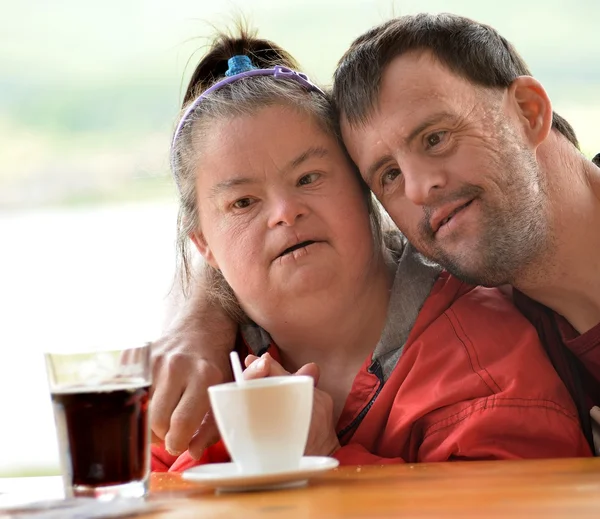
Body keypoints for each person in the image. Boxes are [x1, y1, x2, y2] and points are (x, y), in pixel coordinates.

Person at [150, 29, 590, 472]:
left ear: (365, 197)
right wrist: (202, 316)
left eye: (309, 178)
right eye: (243, 202)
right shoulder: (197, 376)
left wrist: (326, 466)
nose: (284, 213)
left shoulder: (488, 373)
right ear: (203, 245)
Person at [332, 12, 600, 450]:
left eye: (436, 138)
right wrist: (201, 317)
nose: (419, 188)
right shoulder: (495, 321)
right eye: (389, 176)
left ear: (529, 113)